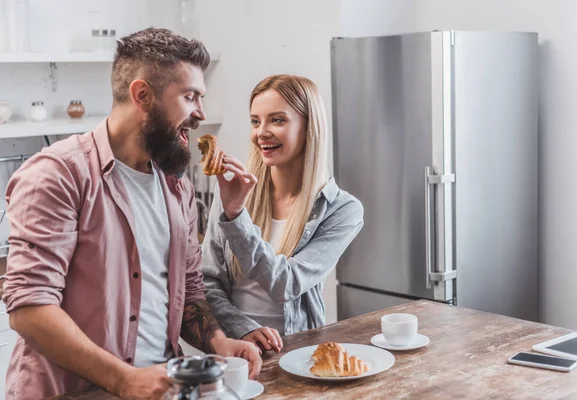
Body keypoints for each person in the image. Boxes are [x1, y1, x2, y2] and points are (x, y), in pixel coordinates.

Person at [2, 28, 261, 400]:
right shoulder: (58, 175)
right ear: (142, 95)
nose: (200, 114)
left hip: (160, 389)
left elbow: (188, 291)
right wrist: (123, 379)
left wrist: (220, 343)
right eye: (189, 97)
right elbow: (29, 308)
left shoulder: (178, 189)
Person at [201, 74, 364, 353]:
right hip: (233, 350)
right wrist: (243, 329)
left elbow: (286, 284)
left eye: (277, 120)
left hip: (295, 352)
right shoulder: (235, 192)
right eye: (255, 121)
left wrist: (236, 217)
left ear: (308, 127)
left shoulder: (342, 210)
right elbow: (207, 281)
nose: (261, 132)